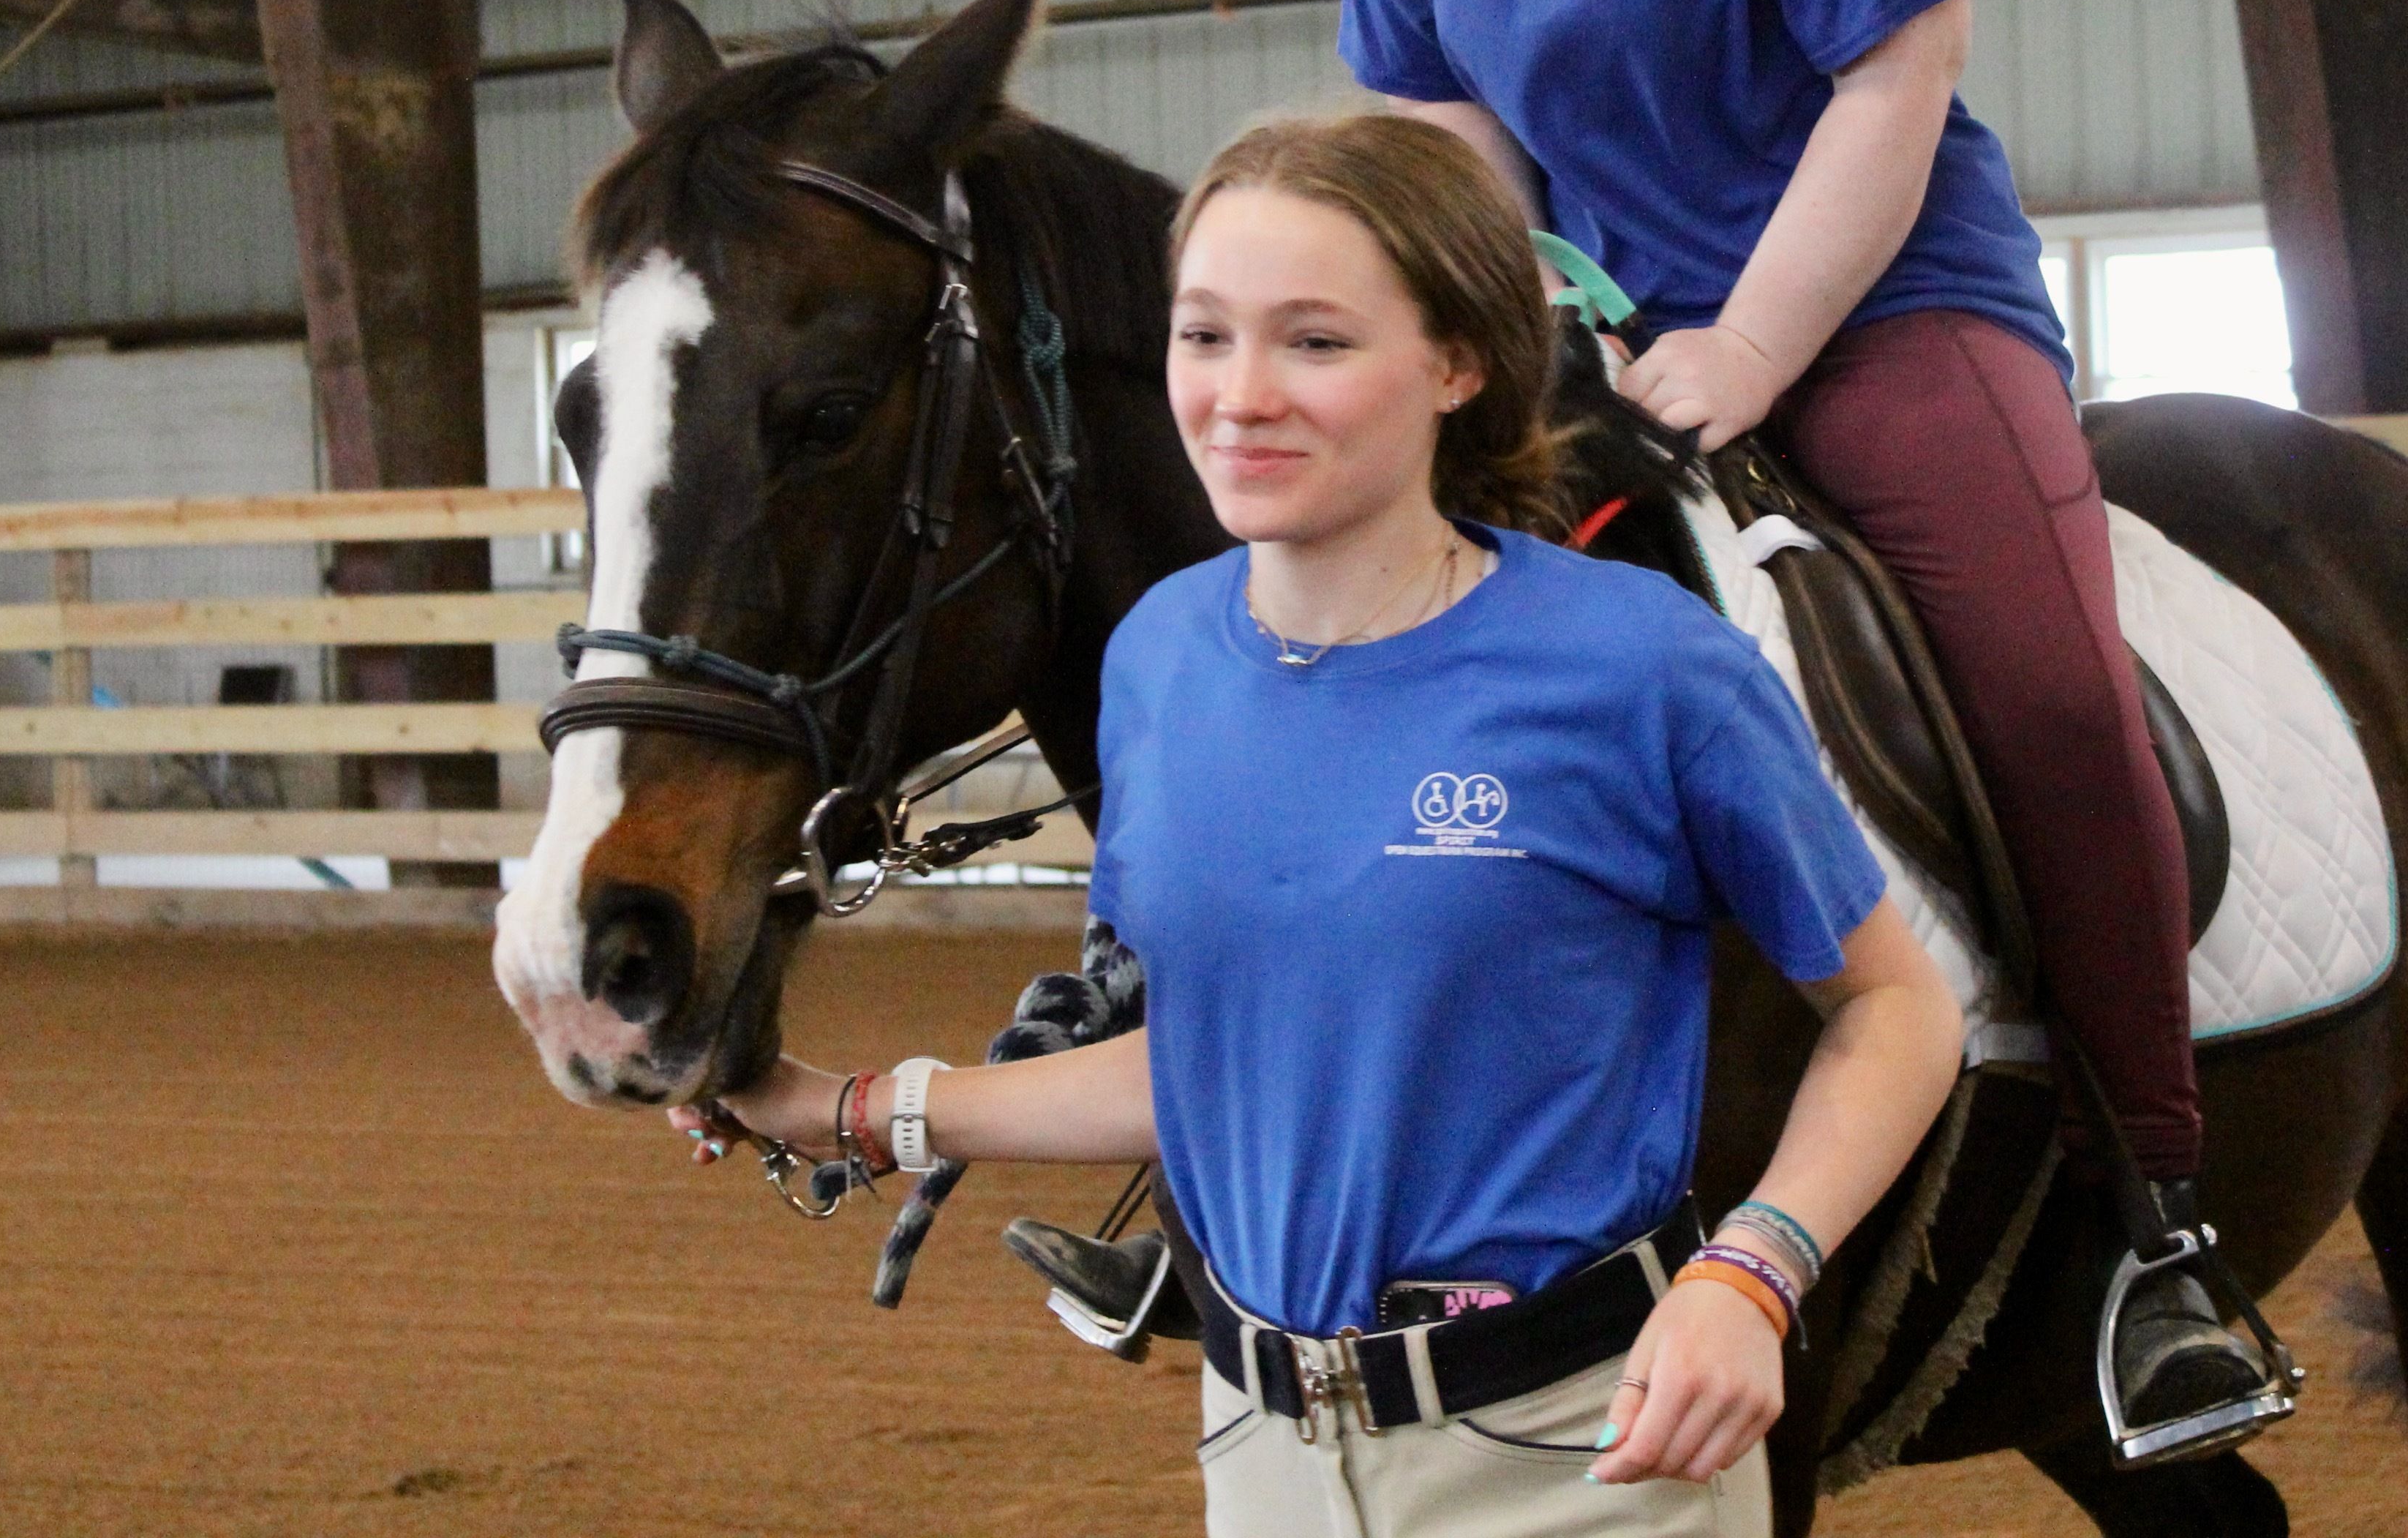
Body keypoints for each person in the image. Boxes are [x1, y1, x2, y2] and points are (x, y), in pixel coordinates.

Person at [1324, 0, 2270, 1435]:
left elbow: (1899, 58)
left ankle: (2164, 1225)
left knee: (2042, 689)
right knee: (1349, 618)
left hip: (1876, 300)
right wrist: (1509, 318)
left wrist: (1748, 347)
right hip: (1586, 320)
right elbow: (1436, 102)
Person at [718, 112, 1963, 1534]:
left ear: (1457, 360)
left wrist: (1756, 1270)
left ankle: (2146, 1230)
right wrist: (856, 1107)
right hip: (1264, 1460)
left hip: (1586, 1464)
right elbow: (1212, 1062)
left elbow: (1895, 1010)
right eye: (1204, 336)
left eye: (1314, 342)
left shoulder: (1645, 667)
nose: (1241, 396)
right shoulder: (1159, 662)